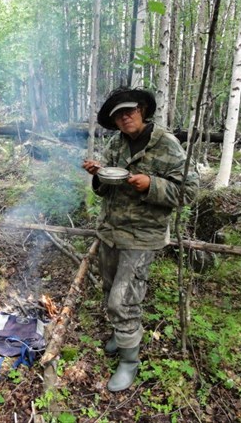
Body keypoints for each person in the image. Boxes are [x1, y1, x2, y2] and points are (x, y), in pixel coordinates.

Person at [82, 87, 199, 392]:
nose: (124, 118)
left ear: (143, 110)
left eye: (129, 111)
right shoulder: (116, 143)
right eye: (118, 115)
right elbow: (106, 189)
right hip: (111, 231)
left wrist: (151, 184)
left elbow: (188, 192)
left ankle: (129, 361)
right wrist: (98, 174)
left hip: (143, 236)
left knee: (123, 299)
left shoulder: (168, 145)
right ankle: (121, 336)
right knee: (110, 290)